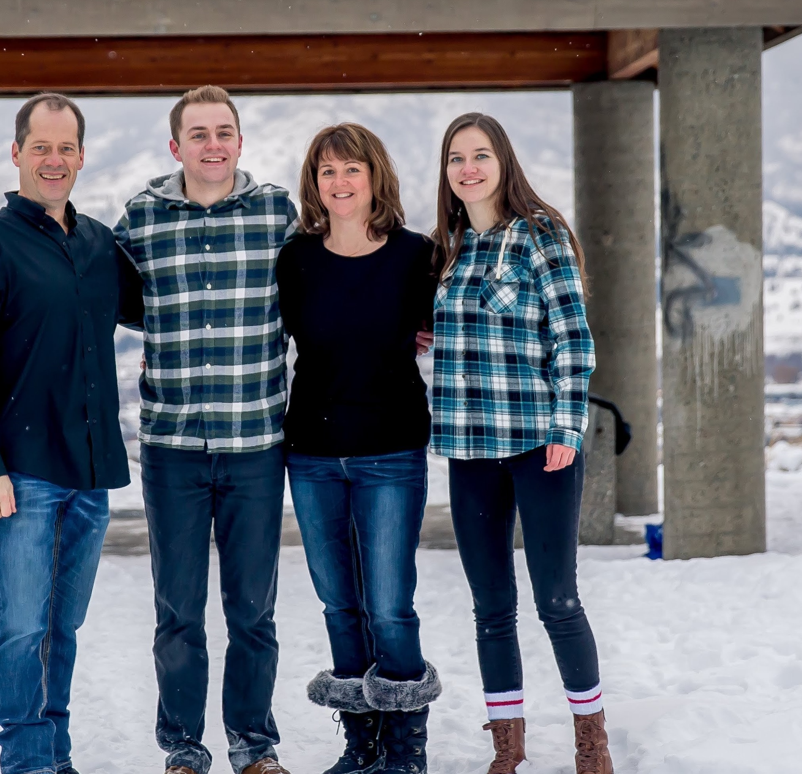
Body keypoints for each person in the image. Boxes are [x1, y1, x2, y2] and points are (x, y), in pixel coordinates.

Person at [0, 93, 143, 774]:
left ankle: (54, 752)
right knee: (22, 625)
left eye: (66, 148)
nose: (53, 160)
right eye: (40, 147)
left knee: (63, 626)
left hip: (90, 472)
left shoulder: (97, 245)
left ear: (82, 156)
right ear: (17, 153)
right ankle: (26, 761)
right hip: (21, 471)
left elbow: (160, 305)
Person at [114, 85, 297, 774]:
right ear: (176, 146)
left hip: (256, 444)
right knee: (178, 614)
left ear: (240, 142)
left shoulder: (279, 212)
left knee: (253, 613)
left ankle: (254, 746)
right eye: (198, 134)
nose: (212, 144)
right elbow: (112, 299)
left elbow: (325, 282)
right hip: (173, 452)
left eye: (224, 132)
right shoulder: (141, 218)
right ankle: (184, 750)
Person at [430, 113, 612, 774]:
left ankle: (591, 741)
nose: (468, 168)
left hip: (541, 446)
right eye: (456, 158)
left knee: (556, 600)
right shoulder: (448, 250)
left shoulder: (540, 235)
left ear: (503, 163)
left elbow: (573, 337)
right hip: (469, 448)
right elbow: (447, 336)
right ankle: (508, 746)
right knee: (490, 608)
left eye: (481, 155)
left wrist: (568, 426)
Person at [275, 123, 443, 774]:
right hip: (312, 453)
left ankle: (405, 748)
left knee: (389, 605)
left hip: (390, 452)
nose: (339, 183)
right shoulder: (296, 260)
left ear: (375, 177)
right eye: (327, 171)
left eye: (351, 170)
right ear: (313, 183)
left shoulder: (414, 256)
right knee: (340, 604)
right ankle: (361, 743)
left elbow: (443, 329)